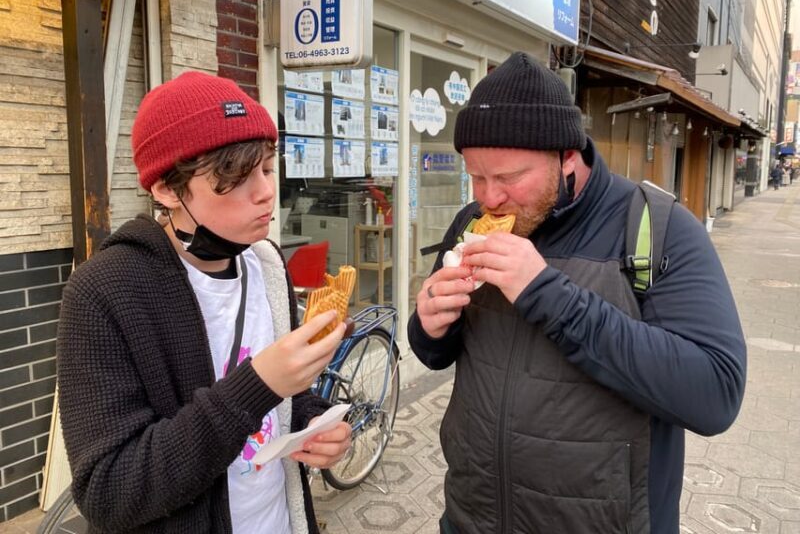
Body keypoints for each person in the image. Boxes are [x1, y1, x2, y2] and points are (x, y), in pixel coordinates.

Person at [408, 52, 746, 534]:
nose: (489, 197)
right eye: (476, 176)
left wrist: (547, 292)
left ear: (568, 156)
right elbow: (438, 353)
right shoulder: (472, 222)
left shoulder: (659, 229)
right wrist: (428, 325)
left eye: (508, 178)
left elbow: (715, 394)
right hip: (472, 518)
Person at [57, 72, 351, 533]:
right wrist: (257, 385)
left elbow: (288, 401)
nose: (265, 192)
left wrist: (316, 424)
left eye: (268, 169)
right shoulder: (105, 292)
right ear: (166, 189)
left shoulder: (267, 264)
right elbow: (107, 492)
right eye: (234, 177)